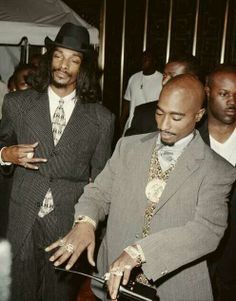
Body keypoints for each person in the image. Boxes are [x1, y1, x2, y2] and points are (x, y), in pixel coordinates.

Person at [47, 74, 236, 301]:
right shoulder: (128, 147)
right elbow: (98, 193)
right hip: (114, 285)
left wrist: (141, 252)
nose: (163, 125)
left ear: (199, 115)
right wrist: (85, 222)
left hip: (174, 290)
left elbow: (207, 230)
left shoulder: (217, 169)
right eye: (159, 112)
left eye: (176, 117)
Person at [0, 22, 114, 301]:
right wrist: (6, 155)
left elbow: (101, 182)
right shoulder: (17, 104)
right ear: (50, 58)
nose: (64, 65)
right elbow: (2, 144)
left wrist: (87, 226)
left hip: (67, 226)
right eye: (58, 56)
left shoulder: (102, 119)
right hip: (22, 219)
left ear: (83, 66)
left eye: (73, 59)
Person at [199, 64, 236, 300]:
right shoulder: (189, 137)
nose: (232, 101)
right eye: (224, 94)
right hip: (195, 255)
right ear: (208, 92)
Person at [125, 55, 204, 136]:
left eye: (173, 77)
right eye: (164, 76)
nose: (164, 82)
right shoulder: (144, 114)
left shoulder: (206, 122)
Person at [119, 49, 163, 135]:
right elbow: (127, 101)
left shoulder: (162, 79)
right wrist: (122, 120)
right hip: (131, 126)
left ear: (154, 62)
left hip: (150, 129)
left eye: (146, 60)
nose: (142, 62)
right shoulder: (133, 78)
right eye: (142, 59)